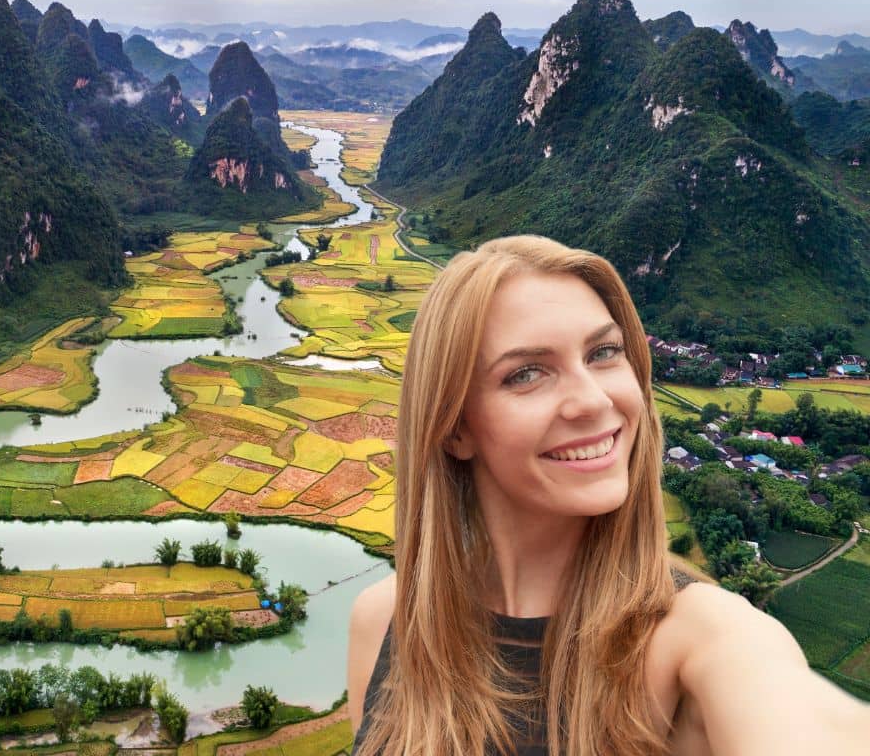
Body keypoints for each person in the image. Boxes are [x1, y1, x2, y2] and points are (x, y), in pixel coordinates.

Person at [347, 235, 870, 755]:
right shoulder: (386, 622)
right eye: (527, 373)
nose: (594, 401)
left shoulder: (702, 641)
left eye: (604, 353)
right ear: (455, 428)